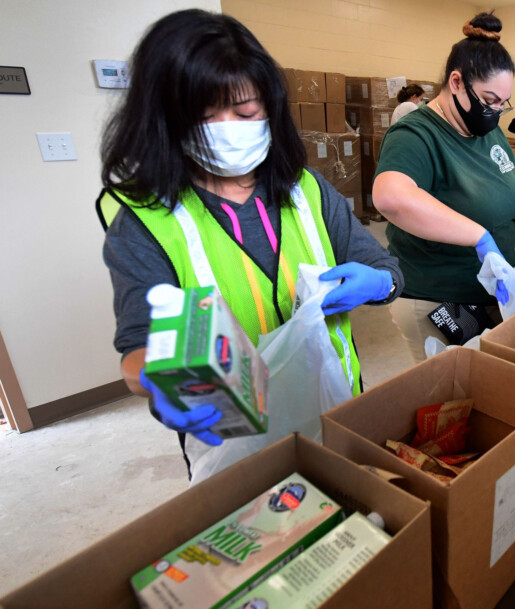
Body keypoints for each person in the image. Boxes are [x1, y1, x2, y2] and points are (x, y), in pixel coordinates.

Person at [97, 10, 402, 473]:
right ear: (164, 120)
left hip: (337, 411)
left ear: (269, 109)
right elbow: (139, 346)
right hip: (234, 441)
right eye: (203, 117)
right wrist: (158, 382)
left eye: (244, 113)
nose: (227, 129)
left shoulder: (307, 192)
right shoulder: (146, 222)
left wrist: (379, 283)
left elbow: (384, 269)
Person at [373, 12, 515, 362]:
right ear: (457, 82)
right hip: (437, 298)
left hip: (490, 291)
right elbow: (391, 197)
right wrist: (477, 235)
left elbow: (501, 188)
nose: (495, 112)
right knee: (449, 397)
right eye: (489, 100)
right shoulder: (417, 135)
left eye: (502, 103)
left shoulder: (486, 131)